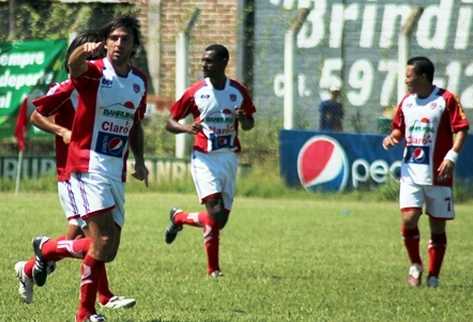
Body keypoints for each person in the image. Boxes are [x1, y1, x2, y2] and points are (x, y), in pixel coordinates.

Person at [27, 16, 148, 322]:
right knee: (99, 239)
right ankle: (87, 311)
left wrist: (140, 161)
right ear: (105, 43)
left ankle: (44, 251)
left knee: (106, 247)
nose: (119, 44)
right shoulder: (92, 74)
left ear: (134, 46)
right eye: (114, 38)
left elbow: (135, 124)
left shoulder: (138, 82)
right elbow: (71, 70)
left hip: (115, 170)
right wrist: (63, 132)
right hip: (83, 164)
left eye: (126, 39)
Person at [164, 44, 255, 278]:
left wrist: (244, 120)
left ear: (224, 62)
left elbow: (249, 124)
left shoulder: (238, 91)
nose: (204, 65)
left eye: (209, 61)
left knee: (220, 220)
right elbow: (170, 121)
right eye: (203, 60)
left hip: (229, 157)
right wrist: (186, 127)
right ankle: (213, 270)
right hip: (204, 158)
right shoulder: (195, 92)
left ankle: (179, 217)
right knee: (214, 212)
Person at [382, 56, 469, 288]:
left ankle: (433, 276)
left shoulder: (446, 99)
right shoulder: (406, 102)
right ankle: (415, 265)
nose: (406, 80)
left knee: (437, 226)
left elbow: (461, 128)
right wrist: (393, 138)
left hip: (439, 173)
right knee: (409, 218)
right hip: (411, 171)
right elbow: (399, 129)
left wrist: (452, 155)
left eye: (409, 76)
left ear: (422, 77)